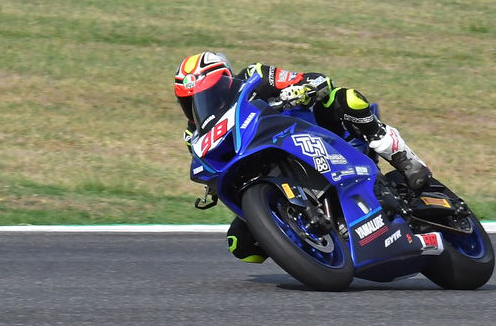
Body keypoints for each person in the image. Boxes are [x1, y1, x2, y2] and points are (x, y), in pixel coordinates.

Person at [174, 51, 436, 263]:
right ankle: (307, 242)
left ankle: (404, 158)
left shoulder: (255, 75)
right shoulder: (193, 135)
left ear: (226, 80)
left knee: (347, 99)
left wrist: (302, 88)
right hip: (260, 166)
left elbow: (317, 79)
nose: (200, 104)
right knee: (240, 245)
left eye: (210, 92)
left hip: (311, 132)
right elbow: (210, 165)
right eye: (190, 101)